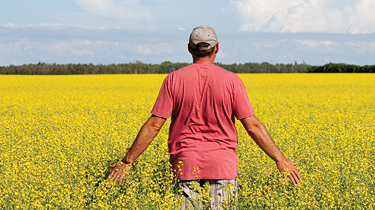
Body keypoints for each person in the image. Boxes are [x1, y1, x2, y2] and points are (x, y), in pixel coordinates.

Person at [107, 25, 301, 209]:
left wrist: (127, 162)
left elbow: (153, 126)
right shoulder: (232, 81)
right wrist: (280, 159)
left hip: (186, 165)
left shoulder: (173, 79)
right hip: (222, 167)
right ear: (217, 48)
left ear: (189, 49)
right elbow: (252, 126)